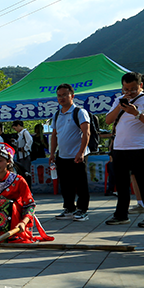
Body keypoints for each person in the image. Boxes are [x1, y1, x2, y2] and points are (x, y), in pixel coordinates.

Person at [0, 143, 53, 243]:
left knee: (10, 205)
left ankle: (12, 234)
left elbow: (29, 204)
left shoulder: (19, 180)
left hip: (15, 224)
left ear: (8, 162)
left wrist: (23, 223)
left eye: (0, 161)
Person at [104, 71, 144, 227]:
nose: (129, 92)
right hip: (120, 148)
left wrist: (136, 113)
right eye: (125, 89)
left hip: (140, 147)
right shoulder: (118, 100)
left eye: (132, 89)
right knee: (121, 185)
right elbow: (108, 120)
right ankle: (121, 215)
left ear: (141, 86)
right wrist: (120, 107)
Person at [49, 83, 91, 222]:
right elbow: (54, 135)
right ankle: (69, 208)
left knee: (80, 184)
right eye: (59, 95)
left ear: (72, 96)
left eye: (65, 95)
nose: (61, 98)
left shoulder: (79, 112)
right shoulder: (56, 115)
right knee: (66, 184)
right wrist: (52, 154)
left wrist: (81, 152)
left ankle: (83, 210)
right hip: (62, 155)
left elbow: (86, 133)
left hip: (77, 155)